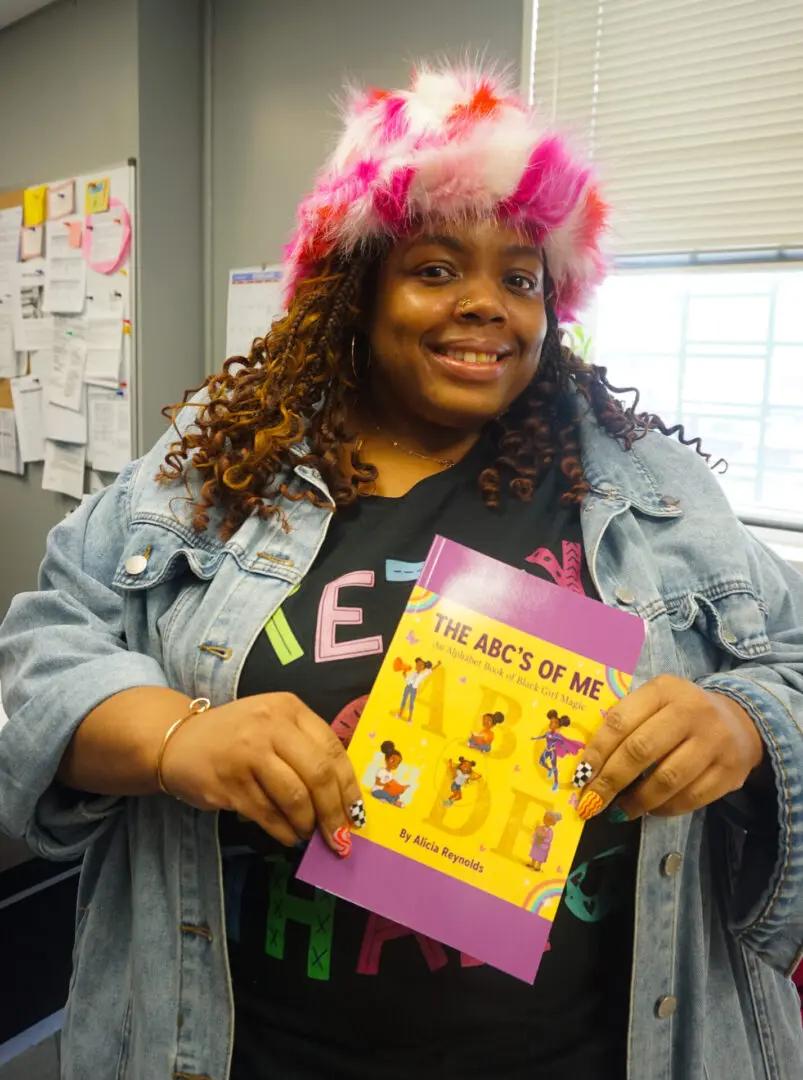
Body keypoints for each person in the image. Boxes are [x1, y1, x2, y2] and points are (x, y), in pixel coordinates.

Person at [0, 60, 801, 1080]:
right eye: (434, 269)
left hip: (598, 1051)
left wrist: (739, 726)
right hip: (240, 1049)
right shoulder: (211, 473)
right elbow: (42, 651)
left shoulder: (650, 487)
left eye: (518, 276)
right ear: (356, 288)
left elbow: (789, 667)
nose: (487, 308)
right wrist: (177, 740)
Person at [397, 656, 440, 722]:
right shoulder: (413, 673)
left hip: (413, 689)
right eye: (417, 664)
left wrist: (437, 664)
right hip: (408, 687)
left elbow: (431, 670)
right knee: (404, 701)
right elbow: (407, 680)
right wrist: (405, 674)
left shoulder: (422, 674)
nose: (417, 666)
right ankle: (399, 714)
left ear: (423, 668)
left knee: (411, 703)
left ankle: (409, 719)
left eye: (420, 665)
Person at [371, 740, 408, 806]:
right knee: (386, 794)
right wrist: (384, 785)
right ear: (386, 759)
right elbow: (377, 782)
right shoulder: (381, 771)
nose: (395, 764)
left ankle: (389, 799)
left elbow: (392, 782)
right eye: (393, 761)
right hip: (376, 791)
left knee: (396, 794)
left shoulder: (390, 774)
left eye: (397, 763)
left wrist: (400, 788)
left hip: (385, 791)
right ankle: (393, 802)